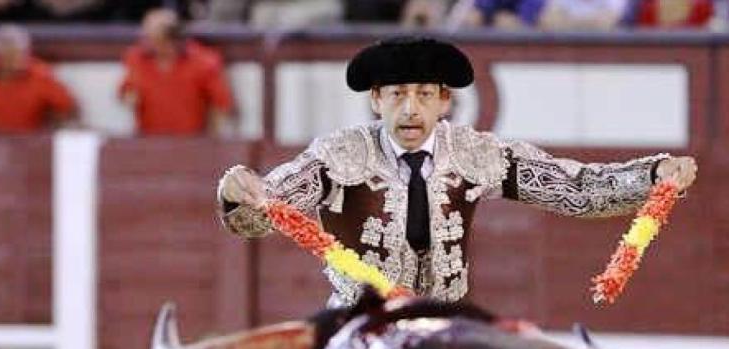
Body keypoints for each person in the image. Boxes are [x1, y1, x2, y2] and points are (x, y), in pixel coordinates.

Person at [215, 37, 698, 308]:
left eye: (425, 94)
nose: (410, 109)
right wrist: (241, 193)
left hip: (448, 320)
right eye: (397, 94)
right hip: (358, 323)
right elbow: (269, 207)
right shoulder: (340, 155)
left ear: (445, 101)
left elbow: (574, 189)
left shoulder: (473, 153)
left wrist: (653, 174)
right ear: (376, 99)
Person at [0, 25, 80, 140]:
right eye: (8, 56)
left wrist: (58, 126)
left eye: (18, 54)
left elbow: (69, 108)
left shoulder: (41, 75)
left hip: (33, 143)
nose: (14, 61)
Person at [118, 8, 235, 136]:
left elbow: (221, 105)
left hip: (191, 143)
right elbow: (127, 91)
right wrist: (129, 97)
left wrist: (211, 142)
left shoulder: (204, 61)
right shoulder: (136, 57)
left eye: (152, 38)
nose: (145, 42)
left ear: (170, 39)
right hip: (148, 141)